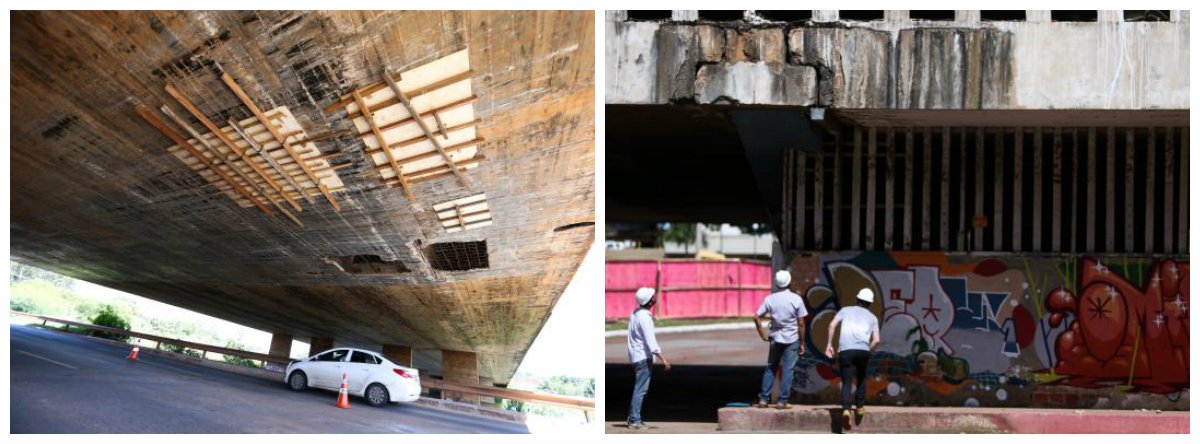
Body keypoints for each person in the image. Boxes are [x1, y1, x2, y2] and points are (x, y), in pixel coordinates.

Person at [824, 288, 881, 431]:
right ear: (870, 303)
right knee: (861, 378)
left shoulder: (845, 310)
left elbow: (832, 325)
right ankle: (860, 407)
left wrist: (829, 345)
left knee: (847, 381)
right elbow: (877, 340)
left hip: (845, 351)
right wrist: (868, 348)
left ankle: (846, 409)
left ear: (857, 299)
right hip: (863, 351)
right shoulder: (873, 318)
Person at [753, 270, 808, 409]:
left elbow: (756, 316)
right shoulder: (796, 299)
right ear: (790, 282)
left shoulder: (770, 299)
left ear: (777, 284)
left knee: (771, 368)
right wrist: (802, 342)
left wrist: (762, 333)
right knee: (788, 370)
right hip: (792, 339)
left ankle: (764, 399)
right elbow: (801, 323)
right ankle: (782, 401)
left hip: (775, 338)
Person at [626, 287, 670, 430]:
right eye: (653, 296)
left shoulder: (636, 313)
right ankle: (634, 420)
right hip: (643, 357)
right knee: (640, 390)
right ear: (650, 301)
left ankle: (633, 417)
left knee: (638, 389)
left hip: (636, 356)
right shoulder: (645, 318)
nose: (655, 297)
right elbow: (651, 341)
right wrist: (663, 358)